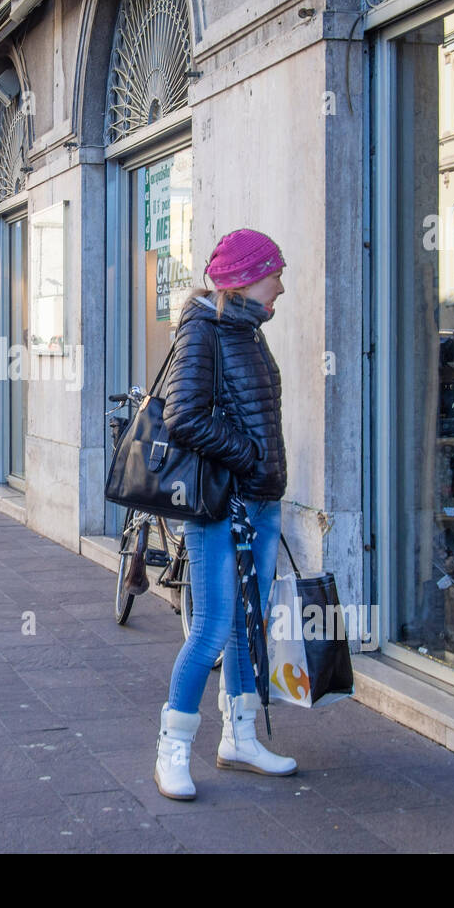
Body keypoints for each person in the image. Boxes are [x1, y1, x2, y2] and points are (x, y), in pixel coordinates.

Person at [154, 227, 294, 801]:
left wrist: (262, 469)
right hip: (221, 505)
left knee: (248, 624)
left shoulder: (249, 331)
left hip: (260, 503)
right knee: (212, 625)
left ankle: (238, 738)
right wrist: (249, 457)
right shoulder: (205, 328)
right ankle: (172, 749)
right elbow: (181, 416)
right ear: (247, 277)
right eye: (275, 273)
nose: (282, 286)